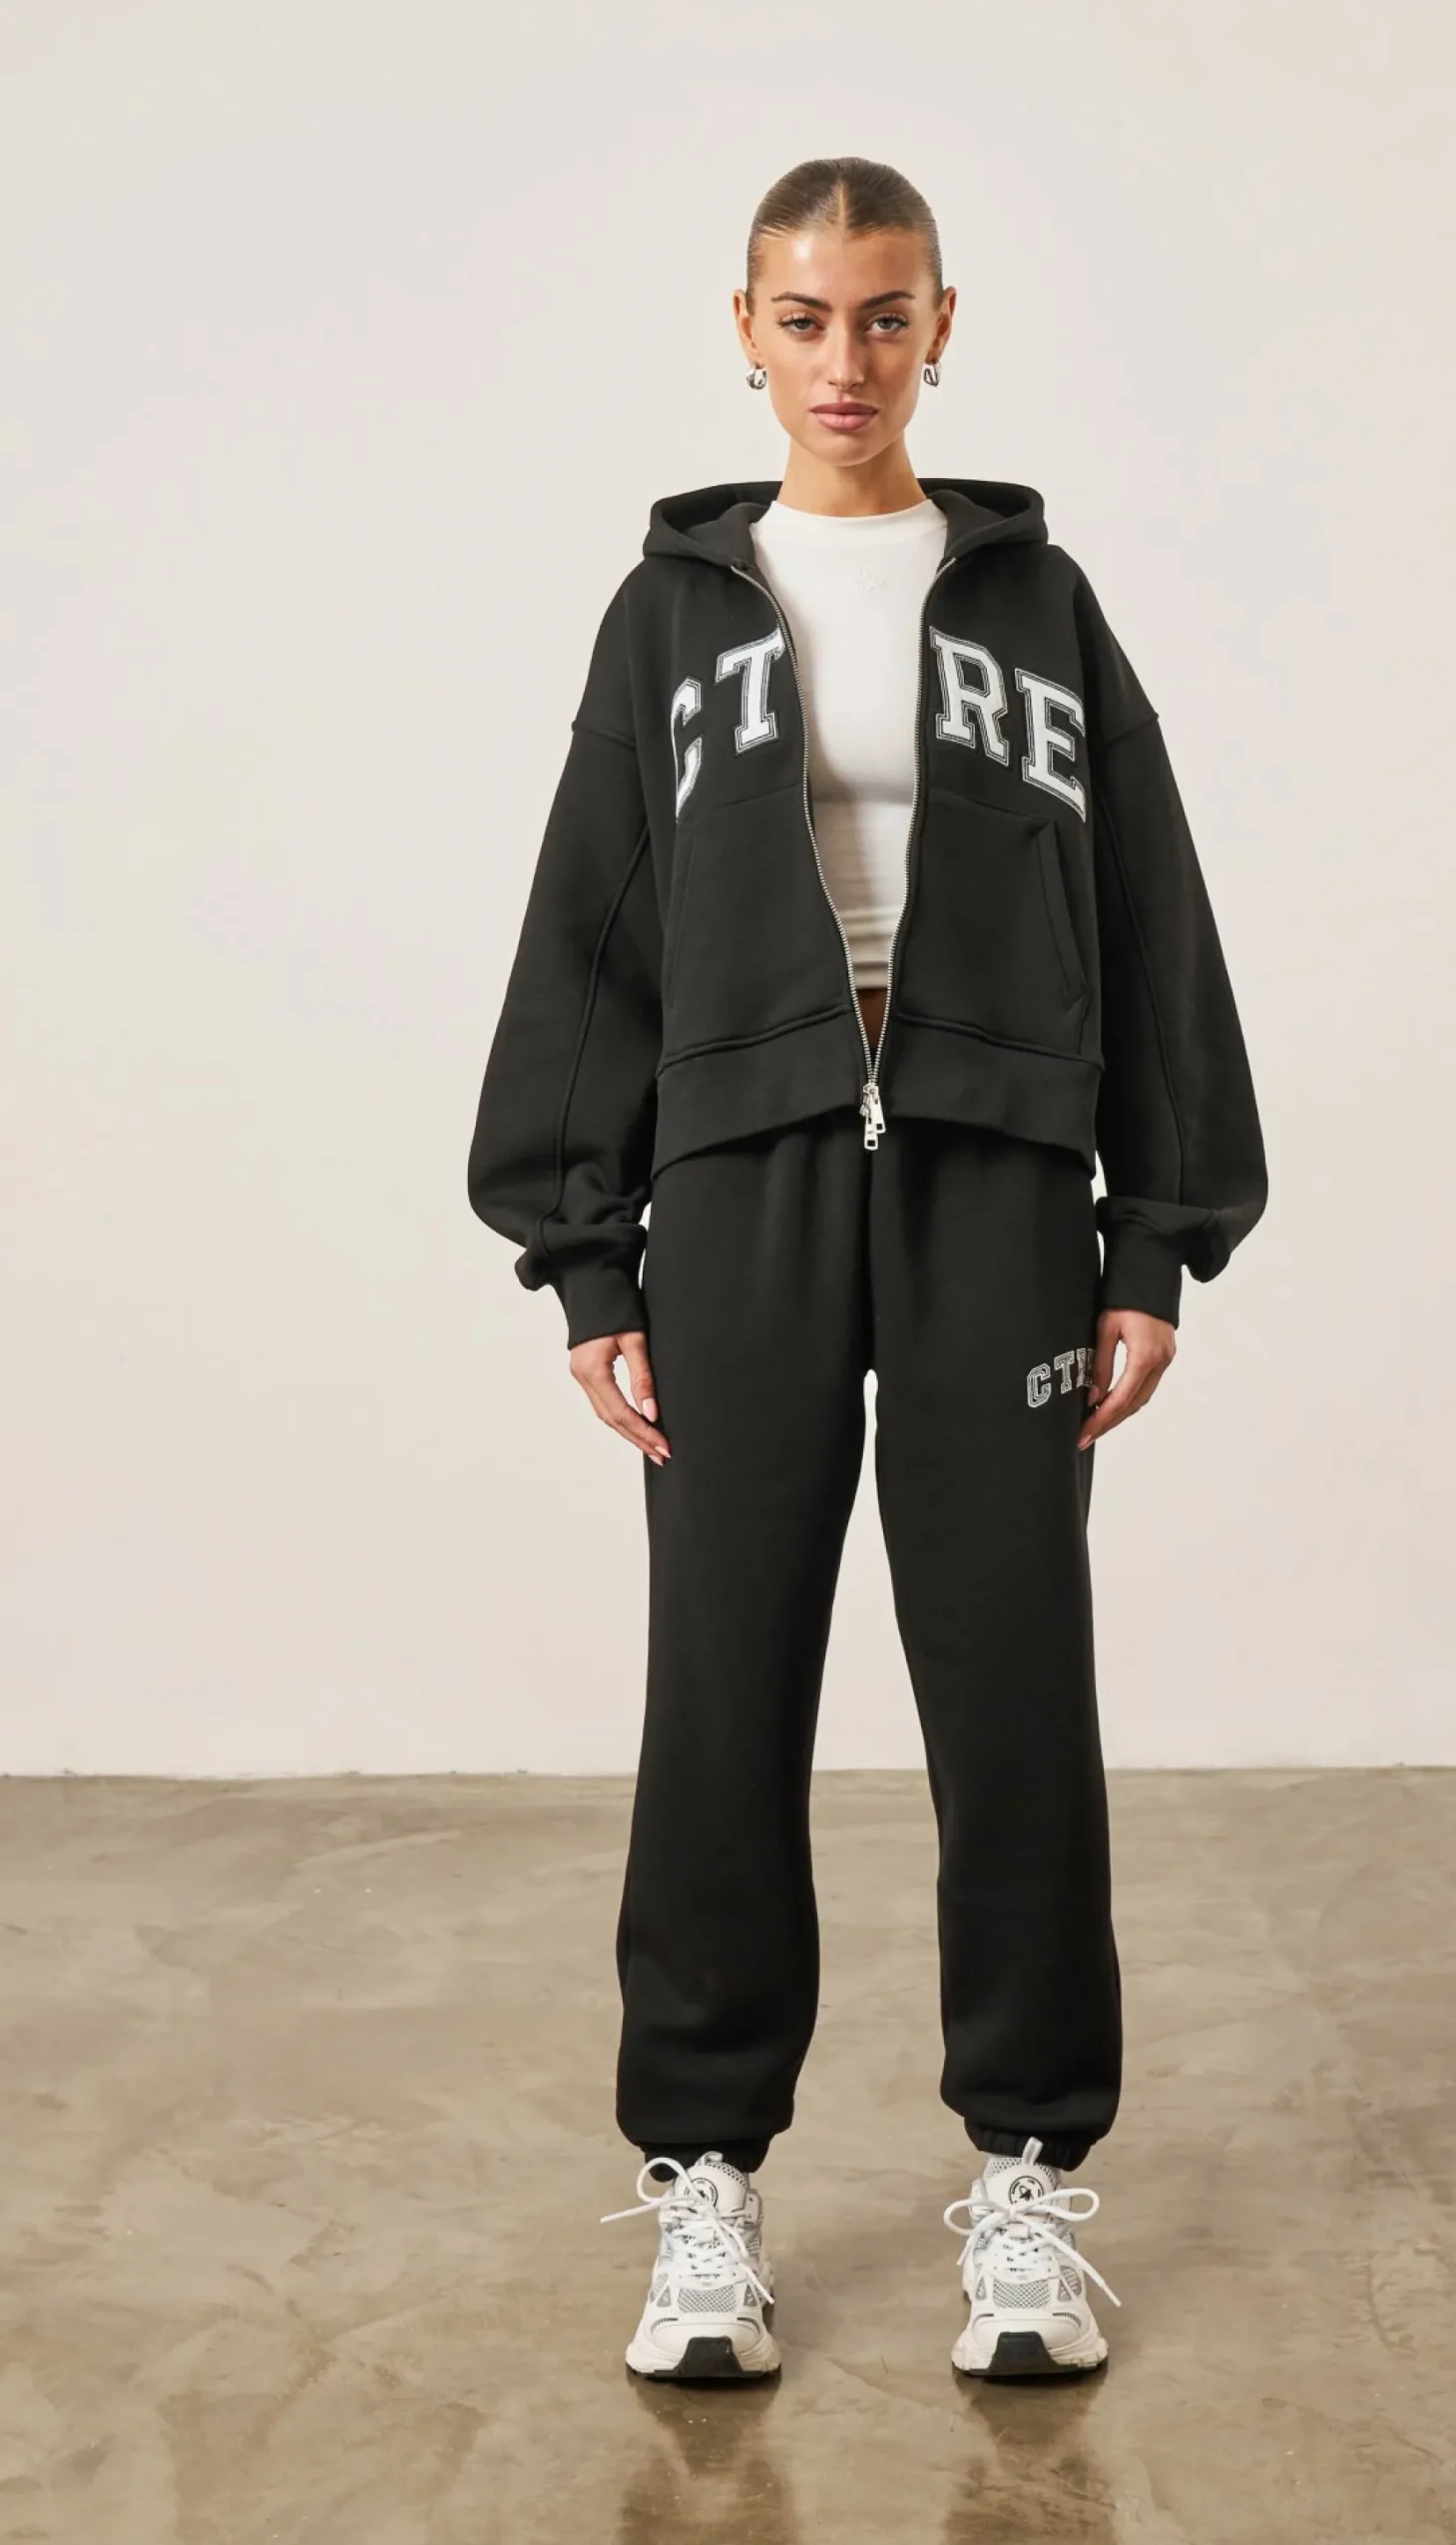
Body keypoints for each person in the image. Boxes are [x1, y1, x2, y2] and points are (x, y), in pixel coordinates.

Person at [467, 155, 1267, 2383]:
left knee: (1010, 1682)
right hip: (742, 1184)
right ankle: (702, 2186)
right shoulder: (671, 619)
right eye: (807, 317)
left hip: (993, 1181)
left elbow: (1149, 909)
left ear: (941, 327)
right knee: (722, 1682)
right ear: (742, 328)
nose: (847, 360)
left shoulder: (1033, 602)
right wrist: (585, 1251)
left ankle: (1024, 2175)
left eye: (886, 316)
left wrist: (1153, 1231)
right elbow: (592, 927)